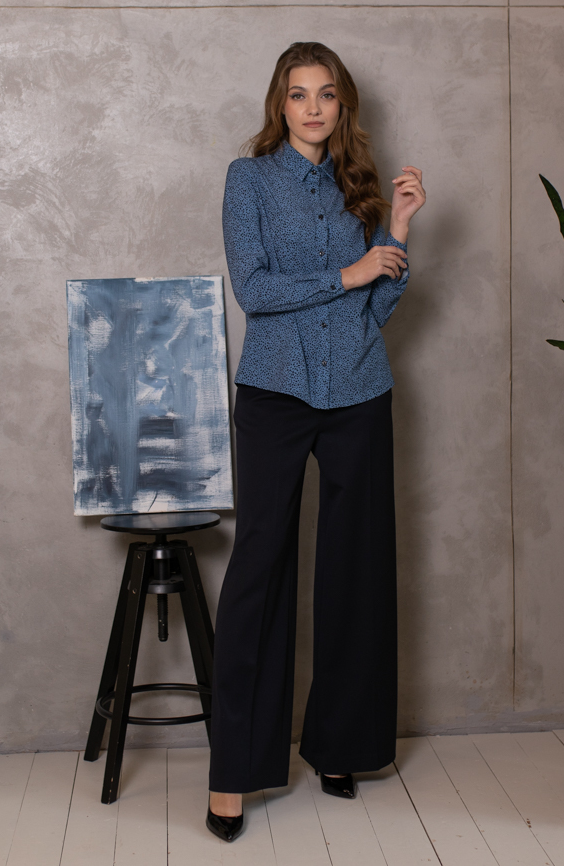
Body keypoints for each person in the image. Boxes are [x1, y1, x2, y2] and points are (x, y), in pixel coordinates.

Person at [205, 41, 426, 843]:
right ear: (280, 103)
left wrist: (396, 234)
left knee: (355, 571)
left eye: (325, 94)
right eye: (297, 94)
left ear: (342, 105)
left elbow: (374, 311)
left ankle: (341, 747)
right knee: (258, 571)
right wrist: (349, 274)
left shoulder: (359, 183)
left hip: (360, 390)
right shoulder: (248, 179)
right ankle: (234, 772)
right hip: (275, 392)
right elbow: (254, 290)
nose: (311, 107)